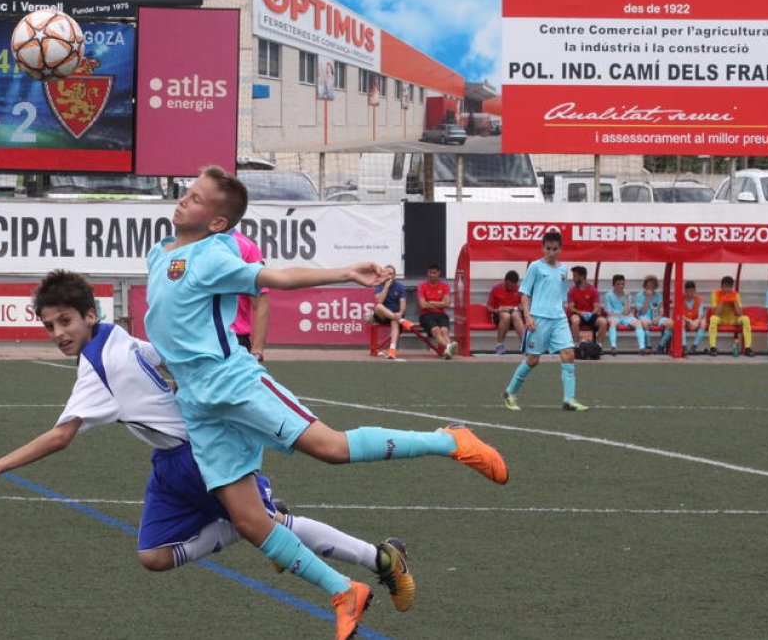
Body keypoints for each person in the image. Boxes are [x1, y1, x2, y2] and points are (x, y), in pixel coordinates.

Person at [144, 166, 508, 639]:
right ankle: (344, 590)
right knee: (250, 521)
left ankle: (450, 441)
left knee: (331, 448)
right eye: (187, 193)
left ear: (217, 222)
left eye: (196, 198)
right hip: (197, 402)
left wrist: (344, 272)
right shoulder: (158, 252)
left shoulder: (214, 253)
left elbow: (279, 276)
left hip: (231, 383)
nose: (183, 200)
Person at [0, 270, 418, 613]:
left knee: (267, 525)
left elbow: (61, 436)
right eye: (50, 326)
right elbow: (162, 356)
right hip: (170, 462)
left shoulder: (100, 363)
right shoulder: (112, 337)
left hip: (198, 455)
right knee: (154, 555)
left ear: (90, 315)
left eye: (65, 321)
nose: (58, 334)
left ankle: (379, 558)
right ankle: (248, 522)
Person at [501, 231, 588, 412]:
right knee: (533, 360)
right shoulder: (535, 267)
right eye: (548, 248)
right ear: (542, 248)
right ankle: (510, 392)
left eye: (555, 249)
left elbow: (561, 296)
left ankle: (569, 399)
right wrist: (528, 317)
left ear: (560, 249)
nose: (551, 252)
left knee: (569, 353)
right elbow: (524, 294)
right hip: (539, 319)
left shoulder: (563, 270)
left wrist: (563, 312)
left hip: (559, 319)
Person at [231, 229, 269, 362]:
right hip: (196, 338)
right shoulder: (192, 243)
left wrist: (257, 349)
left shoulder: (245, 247)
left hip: (234, 340)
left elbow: (260, 303)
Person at [417, 262, 458, 359]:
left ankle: (448, 350)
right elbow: (422, 305)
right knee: (436, 330)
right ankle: (449, 347)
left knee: (444, 331)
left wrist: (430, 302)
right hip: (426, 315)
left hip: (441, 314)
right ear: (427, 273)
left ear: (439, 273)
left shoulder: (444, 286)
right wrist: (439, 303)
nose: (432, 275)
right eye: (430, 273)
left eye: (434, 273)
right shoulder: (421, 286)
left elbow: (447, 304)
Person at [369, 264, 409, 360]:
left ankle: (392, 349)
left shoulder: (400, 287)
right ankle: (401, 320)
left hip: (396, 314)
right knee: (378, 307)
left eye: (391, 274)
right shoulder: (380, 285)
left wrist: (400, 313)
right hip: (383, 315)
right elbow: (379, 301)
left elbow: (403, 303)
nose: (389, 276)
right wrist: (386, 287)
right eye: (386, 274)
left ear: (394, 276)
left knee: (395, 322)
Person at [707, 276, 754, 357]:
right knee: (713, 319)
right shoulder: (715, 294)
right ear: (721, 287)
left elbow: (740, 313)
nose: (727, 289)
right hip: (721, 318)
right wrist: (722, 300)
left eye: (730, 287)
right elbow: (715, 313)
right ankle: (713, 347)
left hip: (733, 319)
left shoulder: (735, 295)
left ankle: (748, 348)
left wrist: (734, 301)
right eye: (726, 287)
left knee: (745, 319)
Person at [601, 274, 644, 356]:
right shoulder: (608, 296)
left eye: (622, 284)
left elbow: (627, 311)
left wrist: (626, 298)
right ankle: (613, 347)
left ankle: (642, 347)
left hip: (626, 317)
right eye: (618, 284)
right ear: (613, 285)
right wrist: (622, 315)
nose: (621, 286)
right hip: (613, 317)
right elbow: (609, 312)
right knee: (612, 322)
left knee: (638, 323)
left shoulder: (627, 295)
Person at [486, 270, 525, 354]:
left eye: (513, 285)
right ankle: (499, 345)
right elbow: (489, 307)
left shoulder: (520, 289)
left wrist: (521, 307)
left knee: (516, 315)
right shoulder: (496, 289)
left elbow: (524, 305)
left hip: (515, 314)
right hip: (500, 315)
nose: (511, 286)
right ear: (505, 281)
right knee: (506, 316)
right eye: (509, 284)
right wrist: (498, 310)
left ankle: (524, 344)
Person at [565, 265, 606, 345]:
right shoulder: (572, 291)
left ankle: (598, 345)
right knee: (575, 321)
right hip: (578, 314)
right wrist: (581, 313)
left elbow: (597, 307)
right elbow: (571, 308)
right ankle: (576, 344)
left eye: (575, 276)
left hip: (591, 314)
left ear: (582, 276)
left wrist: (590, 314)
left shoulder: (592, 290)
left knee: (603, 322)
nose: (573, 278)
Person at [634, 275, 674, 355]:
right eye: (648, 286)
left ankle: (661, 346)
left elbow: (661, 309)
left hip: (656, 316)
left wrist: (658, 318)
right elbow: (643, 311)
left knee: (671, 323)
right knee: (645, 323)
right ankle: (648, 346)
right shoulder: (639, 296)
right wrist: (647, 298)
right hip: (644, 316)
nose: (650, 288)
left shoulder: (658, 296)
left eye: (652, 286)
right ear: (645, 286)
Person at [680, 281, 708, 354]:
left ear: (695, 291)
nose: (690, 294)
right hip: (685, 321)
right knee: (681, 322)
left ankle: (694, 346)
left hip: (695, 321)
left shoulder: (699, 299)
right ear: (685, 291)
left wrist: (697, 321)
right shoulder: (680, 299)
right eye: (688, 292)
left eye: (692, 292)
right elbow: (680, 314)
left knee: (703, 323)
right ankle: (684, 346)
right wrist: (689, 321)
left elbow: (701, 314)